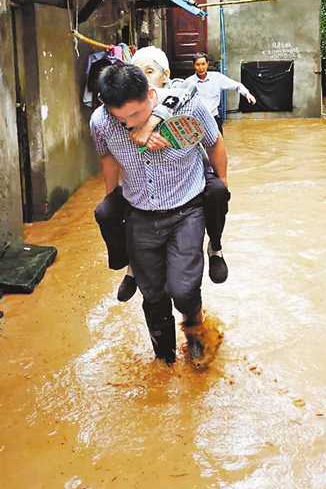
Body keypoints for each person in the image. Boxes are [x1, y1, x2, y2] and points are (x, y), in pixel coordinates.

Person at [90, 64, 227, 365]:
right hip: (140, 214)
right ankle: (163, 359)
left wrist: (222, 185)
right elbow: (107, 157)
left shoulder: (189, 108)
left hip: (186, 210)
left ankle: (197, 337)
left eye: (135, 115)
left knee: (183, 288)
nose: (129, 125)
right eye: (121, 118)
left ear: (151, 95)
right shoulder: (101, 122)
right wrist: (113, 199)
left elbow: (214, 142)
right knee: (152, 294)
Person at [184, 53, 257, 132]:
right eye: (197, 65)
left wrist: (247, 94)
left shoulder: (217, 77)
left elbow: (237, 85)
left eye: (203, 64)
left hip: (214, 119)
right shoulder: (188, 82)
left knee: (219, 143)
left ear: (207, 64)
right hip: (196, 121)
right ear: (193, 65)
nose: (201, 68)